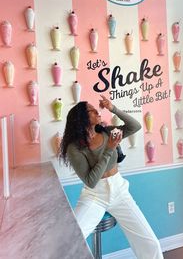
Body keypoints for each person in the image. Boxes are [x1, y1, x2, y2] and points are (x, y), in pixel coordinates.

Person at [60, 95, 164, 259]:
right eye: (91, 110)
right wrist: (109, 149)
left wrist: (112, 108)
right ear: (81, 118)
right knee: (71, 240)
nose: (96, 110)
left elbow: (134, 126)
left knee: (151, 244)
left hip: (120, 191)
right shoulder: (75, 148)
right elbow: (91, 181)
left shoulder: (108, 132)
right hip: (95, 197)